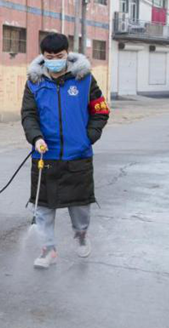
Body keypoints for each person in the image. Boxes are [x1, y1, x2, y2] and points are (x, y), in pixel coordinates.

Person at [21, 33, 110, 269]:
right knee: (43, 207)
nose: (54, 61)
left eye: (59, 56)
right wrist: (36, 138)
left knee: (80, 205)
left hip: (78, 154)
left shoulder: (84, 79)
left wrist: (88, 137)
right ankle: (48, 250)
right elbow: (28, 115)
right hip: (45, 155)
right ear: (43, 56)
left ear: (67, 53)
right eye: (49, 57)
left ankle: (81, 235)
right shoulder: (34, 82)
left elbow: (101, 111)